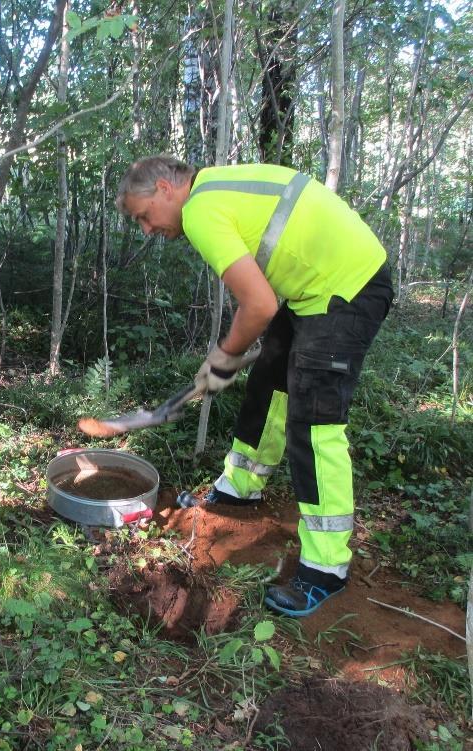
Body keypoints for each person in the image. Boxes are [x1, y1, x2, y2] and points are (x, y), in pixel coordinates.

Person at [115, 155, 394, 617]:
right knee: (269, 383)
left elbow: (260, 304)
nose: (146, 229)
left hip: (347, 288)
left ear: (165, 188)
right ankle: (240, 488)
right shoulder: (215, 187)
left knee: (314, 421)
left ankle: (327, 569)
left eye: (143, 215)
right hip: (316, 289)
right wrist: (232, 356)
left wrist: (223, 357)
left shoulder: (202, 210)